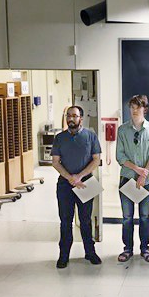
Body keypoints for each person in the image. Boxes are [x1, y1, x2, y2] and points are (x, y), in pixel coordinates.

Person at [51, 105, 102, 269]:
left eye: (74, 116)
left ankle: (90, 252)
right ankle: (63, 255)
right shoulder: (59, 138)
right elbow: (55, 162)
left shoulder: (91, 136)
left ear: (81, 118)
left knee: (86, 220)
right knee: (65, 221)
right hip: (65, 184)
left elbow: (96, 160)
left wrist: (79, 177)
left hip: (86, 182)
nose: (71, 119)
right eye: (68, 116)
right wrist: (70, 178)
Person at [116, 95, 149, 263]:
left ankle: (145, 249)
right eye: (132, 107)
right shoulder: (122, 130)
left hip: (146, 181)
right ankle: (127, 249)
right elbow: (120, 156)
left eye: (138, 107)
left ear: (145, 109)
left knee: (144, 216)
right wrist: (137, 170)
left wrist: (144, 174)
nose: (134, 111)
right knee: (127, 217)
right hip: (127, 179)